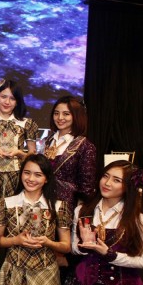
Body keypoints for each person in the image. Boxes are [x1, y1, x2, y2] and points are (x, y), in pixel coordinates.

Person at [0, 154, 71, 285]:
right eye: (27, 173)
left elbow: (66, 246)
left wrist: (48, 243)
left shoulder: (58, 206)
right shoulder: (7, 203)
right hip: (15, 269)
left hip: (44, 272)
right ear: (21, 174)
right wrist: (16, 241)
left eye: (38, 174)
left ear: (46, 179)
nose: (31, 179)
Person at [44, 95, 97, 269]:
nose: (60, 118)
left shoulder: (84, 145)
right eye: (56, 113)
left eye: (66, 114)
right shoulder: (49, 140)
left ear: (76, 116)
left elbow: (87, 186)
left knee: (63, 261)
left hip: (68, 207)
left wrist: (78, 211)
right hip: (45, 204)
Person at [0, 79, 38, 206]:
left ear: (17, 101)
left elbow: (33, 157)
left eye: (12, 98)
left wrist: (19, 153)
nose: (7, 102)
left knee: (14, 212)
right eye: (3, 97)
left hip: (17, 177)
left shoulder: (27, 124)